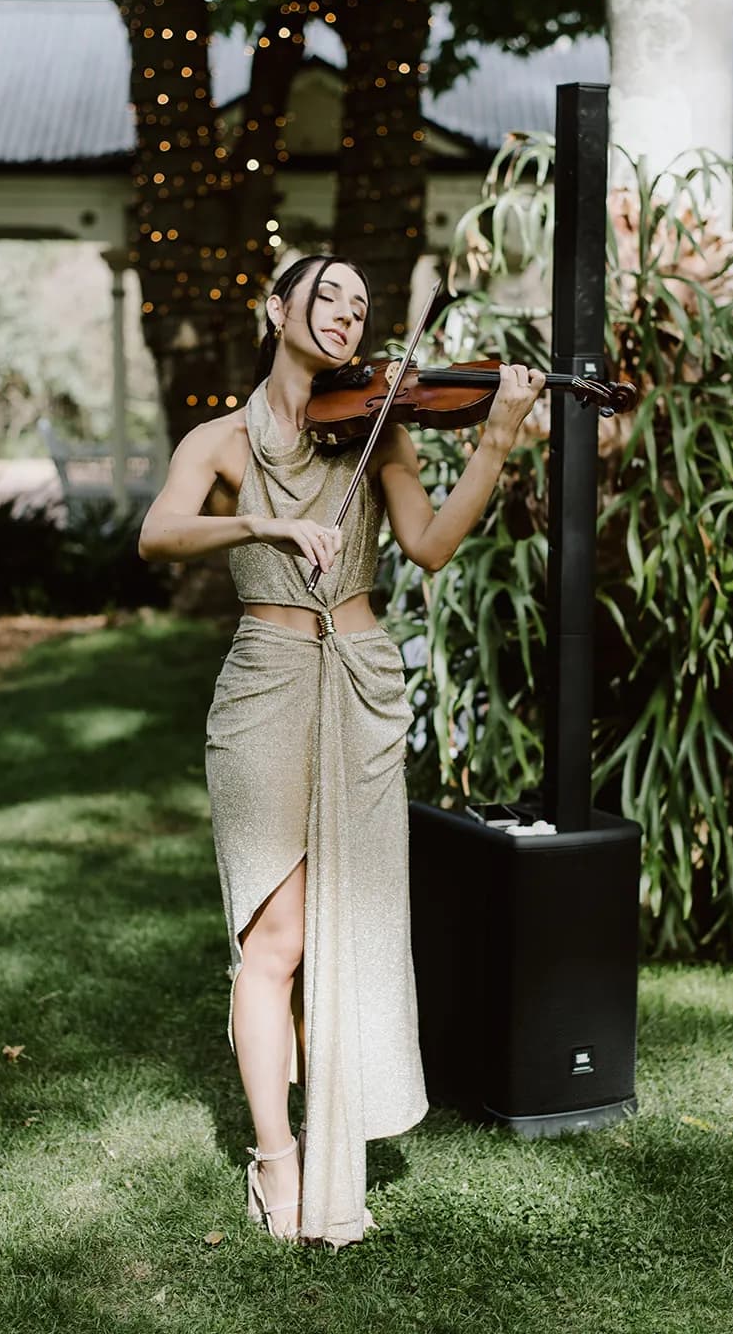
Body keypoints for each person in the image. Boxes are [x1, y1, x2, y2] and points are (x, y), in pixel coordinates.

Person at [137, 254, 545, 1249]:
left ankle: (333, 1139)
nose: (349, 317)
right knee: (275, 935)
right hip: (267, 680)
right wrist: (265, 520)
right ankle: (276, 1160)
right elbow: (157, 534)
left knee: (344, 927)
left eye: (364, 309)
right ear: (276, 307)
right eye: (329, 297)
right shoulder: (221, 440)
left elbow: (432, 545)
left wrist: (492, 440)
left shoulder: (380, 424)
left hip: (361, 678)